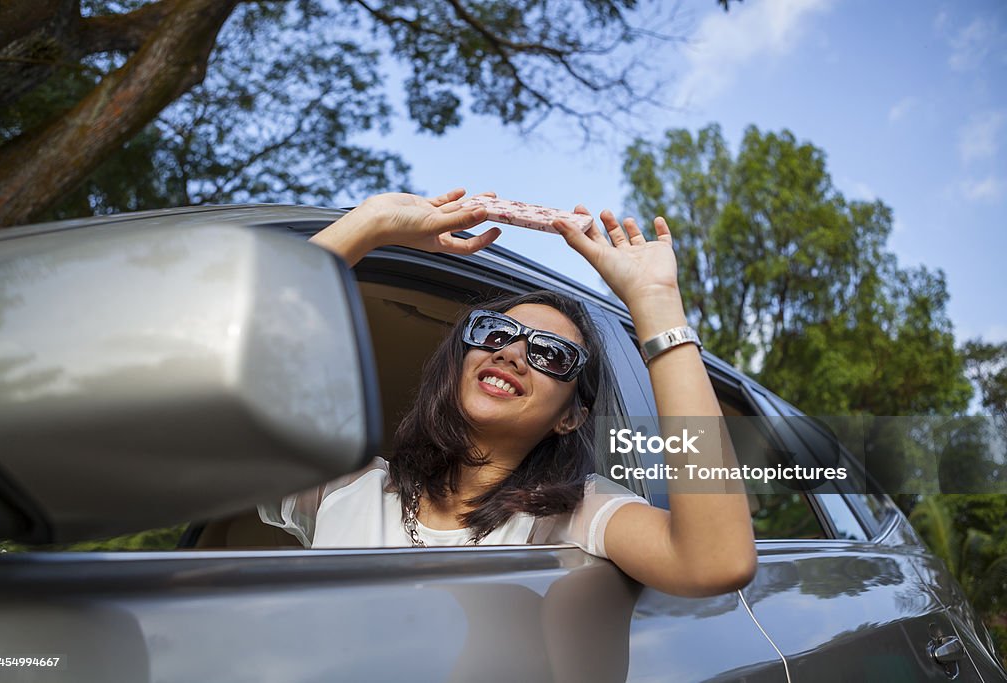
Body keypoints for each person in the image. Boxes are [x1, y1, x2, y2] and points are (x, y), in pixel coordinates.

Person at [258, 188, 757, 597]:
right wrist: (366, 225)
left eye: (552, 355)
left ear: (571, 416)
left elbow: (715, 562)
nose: (513, 354)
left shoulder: (569, 516)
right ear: (459, 363)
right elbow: (225, 352)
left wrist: (657, 303)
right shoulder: (344, 487)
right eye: (496, 334)